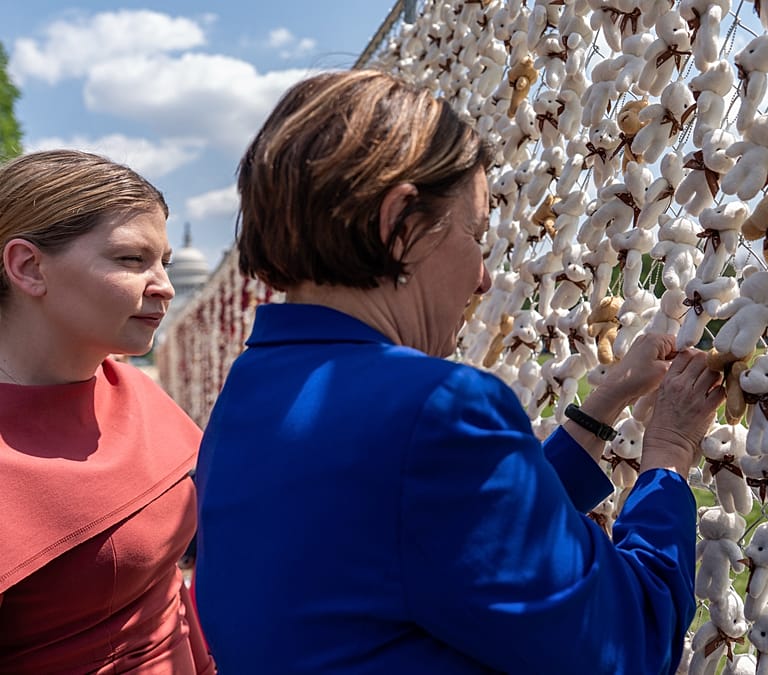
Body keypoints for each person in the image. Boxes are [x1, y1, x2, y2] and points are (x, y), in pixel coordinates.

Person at [194, 69, 724, 673]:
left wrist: (599, 408)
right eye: (475, 234)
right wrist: (670, 452)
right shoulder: (434, 411)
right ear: (402, 226)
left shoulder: (253, 388)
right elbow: (628, 641)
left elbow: (432, 527)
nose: (484, 279)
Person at [0, 150, 215, 673]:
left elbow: (170, 602)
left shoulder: (136, 390)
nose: (163, 285)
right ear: (28, 267)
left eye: (163, 260)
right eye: (131, 260)